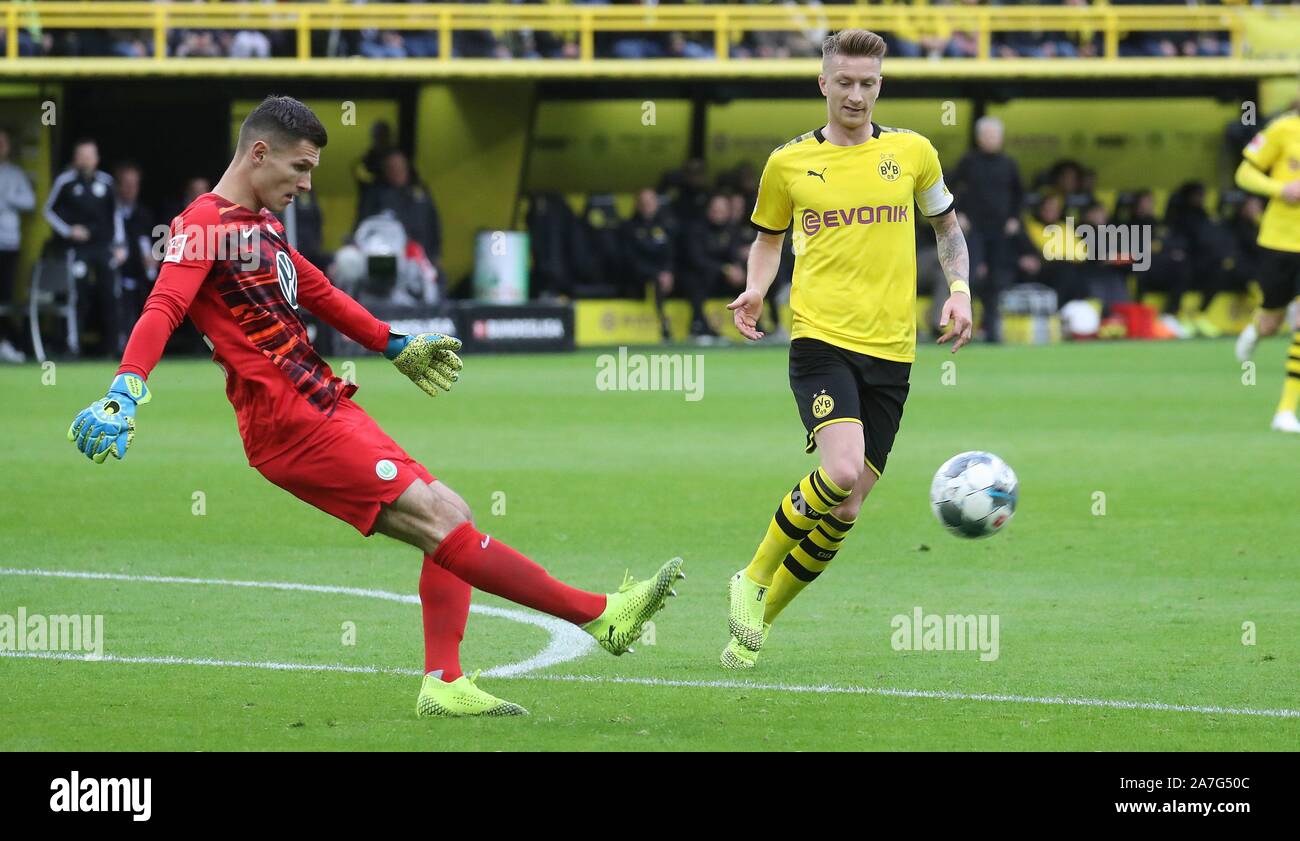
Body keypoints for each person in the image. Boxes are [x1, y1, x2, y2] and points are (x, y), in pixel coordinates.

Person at [66, 95, 683, 717]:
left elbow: (320, 292)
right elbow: (163, 307)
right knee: (445, 528)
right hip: (290, 427)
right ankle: (603, 615)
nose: (307, 184)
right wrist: (125, 389)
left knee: (452, 513)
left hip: (324, 405)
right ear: (259, 153)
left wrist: (393, 342)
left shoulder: (259, 225)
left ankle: (444, 683)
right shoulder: (199, 228)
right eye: (300, 168)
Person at [722, 29, 972, 669]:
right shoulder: (787, 165)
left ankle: (759, 625)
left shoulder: (914, 153)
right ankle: (750, 578)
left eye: (868, 83)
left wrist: (960, 289)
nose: (856, 95)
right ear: (823, 83)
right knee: (837, 473)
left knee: (851, 500)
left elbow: (946, 226)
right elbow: (768, 237)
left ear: (879, 85)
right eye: (845, 82)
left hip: (894, 349)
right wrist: (755, 290)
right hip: (820, 339)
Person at [1232, 108, 1300, 433]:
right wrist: (1280, 189)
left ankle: (1285, 410)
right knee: (1272, 321)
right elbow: (1244, 173)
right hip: (1280, 242)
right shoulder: (1283, 129)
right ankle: (1258, 327)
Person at [44, 138, 126, 355]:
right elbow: (48, 211)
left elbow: (115, 215)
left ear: (97, 159)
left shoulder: (107, 183)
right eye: (82, 156)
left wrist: (120, 245)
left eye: (90, 156)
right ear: (75, 158)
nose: (86, 161)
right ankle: (72, 346)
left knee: (110, 293)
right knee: (76, 295)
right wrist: (69, 231)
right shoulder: (65, 182)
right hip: (77, 249)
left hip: (103, 247)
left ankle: (115, 347)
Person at [0, 127, 35, 363]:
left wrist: (7, 199)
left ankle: (5, 342)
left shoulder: (14, 174)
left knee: (5, 295)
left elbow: (30, 202)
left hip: (7, 243)